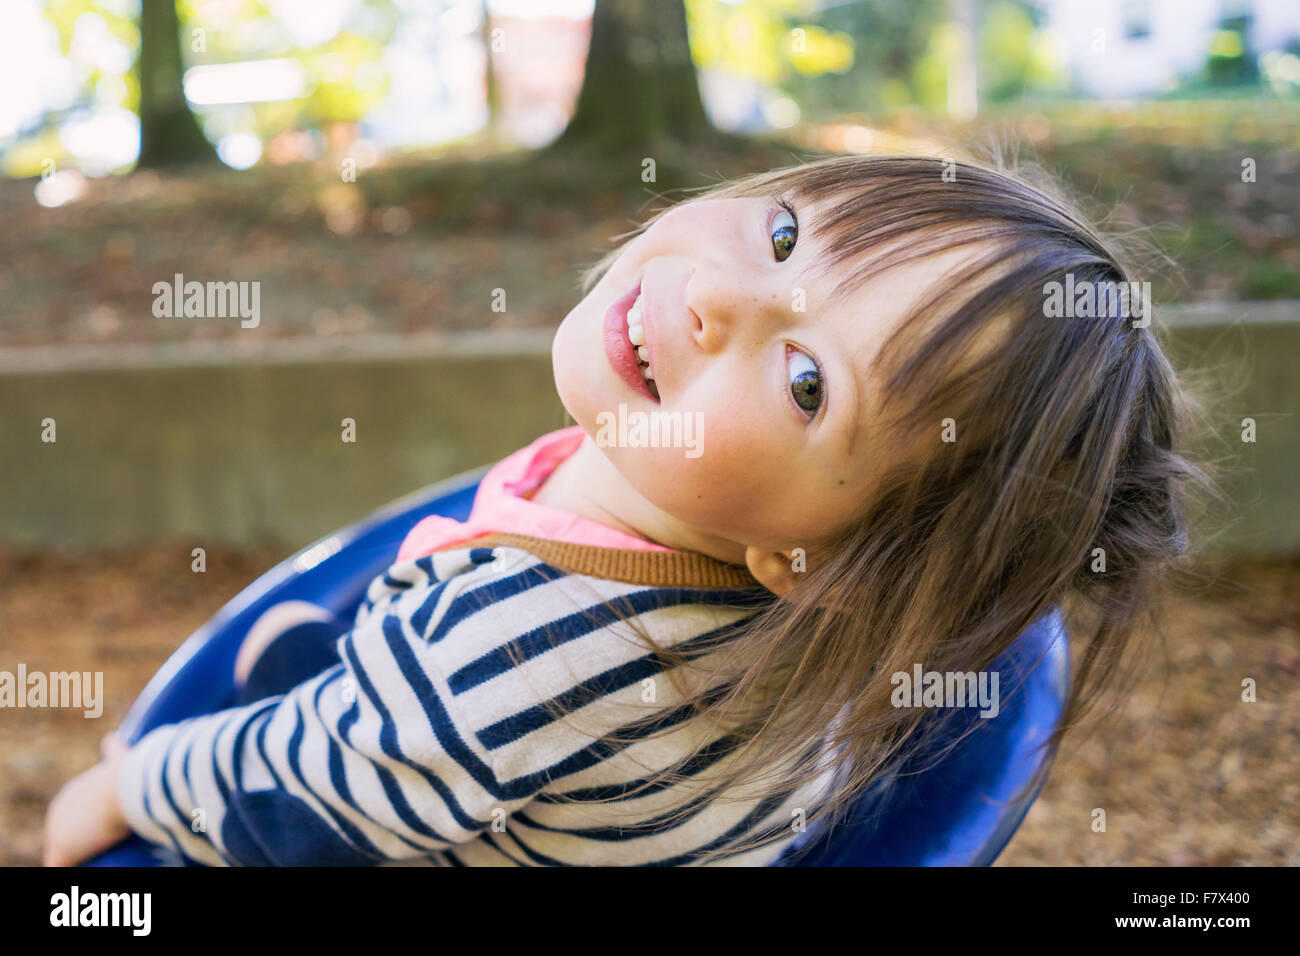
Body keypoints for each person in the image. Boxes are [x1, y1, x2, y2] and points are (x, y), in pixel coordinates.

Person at [45, 154, 1200, 866]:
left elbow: (317, 792)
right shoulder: (766, 555)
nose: (717, 295)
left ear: (825, 565)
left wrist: (133, 781)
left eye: (807, 382)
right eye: (786, 233)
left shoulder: (518, 649)